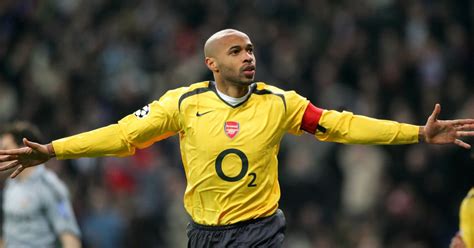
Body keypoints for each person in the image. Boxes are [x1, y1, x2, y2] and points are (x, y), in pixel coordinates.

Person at [0, 29, 473, 247]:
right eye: (236, 51)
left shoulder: (279, 102)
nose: (248, 57)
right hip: (203, 234)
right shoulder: (182, 105)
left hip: (262, 231)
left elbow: (342, 124)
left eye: (250, 49)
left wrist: (415, 133)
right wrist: (56, 149)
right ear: (212, 63)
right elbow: (123, 136)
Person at [0, 122, 81, 248]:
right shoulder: (11, 185)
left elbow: (69, 236)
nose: (1, 156)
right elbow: (9, 234)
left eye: (5, 149)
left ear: (22, 150)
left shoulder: (50, 186)